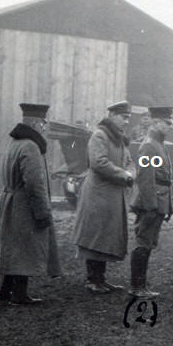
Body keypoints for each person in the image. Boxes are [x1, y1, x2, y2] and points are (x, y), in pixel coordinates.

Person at [0, 103, 62, 304]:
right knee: (24, 247)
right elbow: (35, 184)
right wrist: (42, 212)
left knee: (11, 246)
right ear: (36, 123)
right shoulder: (30, 146)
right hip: (24, 205)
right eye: (44, 123)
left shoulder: (14, 143)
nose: (45, 127)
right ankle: (19, 295)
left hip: (9, 202)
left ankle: (4, 291)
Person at [72, 100, 135, 294]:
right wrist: (124, 175)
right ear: (112, 115)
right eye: (124, 117)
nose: (126, 121)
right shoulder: (100, 135)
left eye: (128, 118)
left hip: (111, 195)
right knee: (96, 235)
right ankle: (93, 279)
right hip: (98, 195)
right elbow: (98, 163)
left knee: (105, 235)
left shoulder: (118, 138)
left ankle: (101, 279)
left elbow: (130, 161)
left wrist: (131, 172)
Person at [128, 106, 173, 299]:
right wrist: (150, 206)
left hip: (157, 200)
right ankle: (137, 286)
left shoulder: (157, 144)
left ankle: (141, 284)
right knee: (144, 242)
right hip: (151, 203)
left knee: (148, 243)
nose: (171, 126)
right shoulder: (150, 146)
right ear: (156, 123)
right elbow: (145, 179)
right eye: (168, 123)